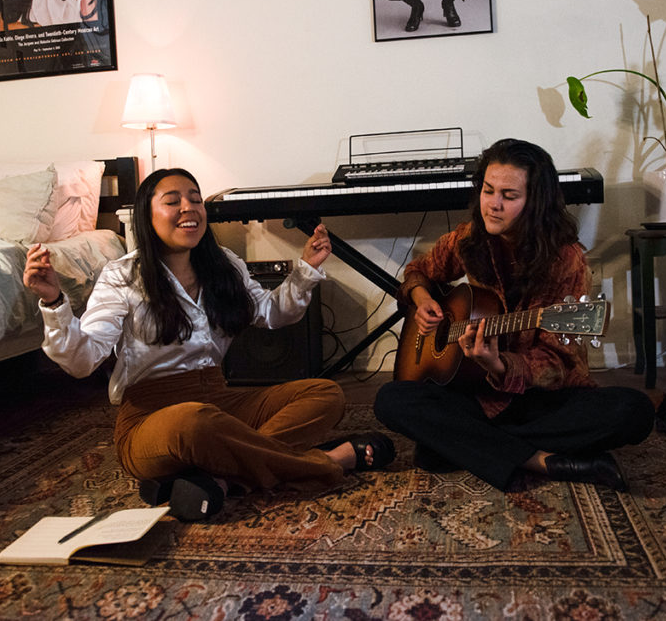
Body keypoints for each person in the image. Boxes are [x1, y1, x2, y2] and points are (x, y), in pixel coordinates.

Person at [23, 168, 395, 521]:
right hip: (153, 418)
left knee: (325, 394)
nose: (189, 208)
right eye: (172, 201)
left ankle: (222, 479)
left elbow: (271, 314)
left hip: (221, 402)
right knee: (194, 422)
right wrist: (56, 303)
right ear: (146, 216)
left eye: (195, 199)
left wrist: (306, 270)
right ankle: (333, 461)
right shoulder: (122, 276)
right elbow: (82, 360)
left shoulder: (225, 265)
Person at [374, 139, 654, 492]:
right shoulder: (469, 238)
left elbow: (557, 364)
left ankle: (457, 444)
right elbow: (418, 270)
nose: (493, 205)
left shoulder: (566, 261)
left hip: (540, 400)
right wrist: (421, 296)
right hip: (475, 393)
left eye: (509, 195)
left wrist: (497, 365)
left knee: (634, 411)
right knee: (391, 399)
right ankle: (541, 460)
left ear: (534, 201)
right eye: (488, 191)